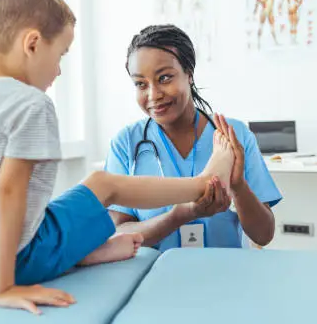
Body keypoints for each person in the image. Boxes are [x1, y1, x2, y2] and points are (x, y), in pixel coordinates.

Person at [0, 0, 237, 315]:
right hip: (8, 265)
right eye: (59, 54)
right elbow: (9, 192)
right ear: (32, 44)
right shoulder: (29, 103)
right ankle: (201, 184)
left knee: (60, 206)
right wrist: (4, 287)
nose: (59, 69)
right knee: (103, 184)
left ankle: (89, 251)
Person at [105, 24, 282, 252]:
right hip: (155, 277)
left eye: (165, 78)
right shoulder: (126, 143)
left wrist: (238, 187)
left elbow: (264, 235)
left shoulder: (232, 136)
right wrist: (179, 216)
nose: (153, 95)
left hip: (227, 276)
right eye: (141, 84)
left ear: (189, 73)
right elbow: (118, 233)